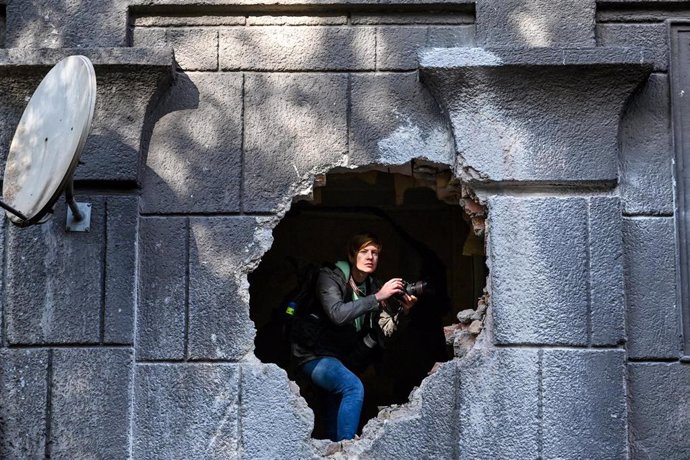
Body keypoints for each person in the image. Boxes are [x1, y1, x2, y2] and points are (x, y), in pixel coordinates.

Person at [292, 232, 417, 442]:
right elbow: (337, 314)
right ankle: (347, 447)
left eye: (375, 253)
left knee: (336, 403)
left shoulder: (372, 286)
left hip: (341, 358)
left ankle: (337, 446)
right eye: (364, 251)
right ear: (352, 256)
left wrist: (403, 312)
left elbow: (383, 332)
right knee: (352, 387)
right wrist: (378, 297)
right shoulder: (330, 276)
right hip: (312, 354)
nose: (370, 257)